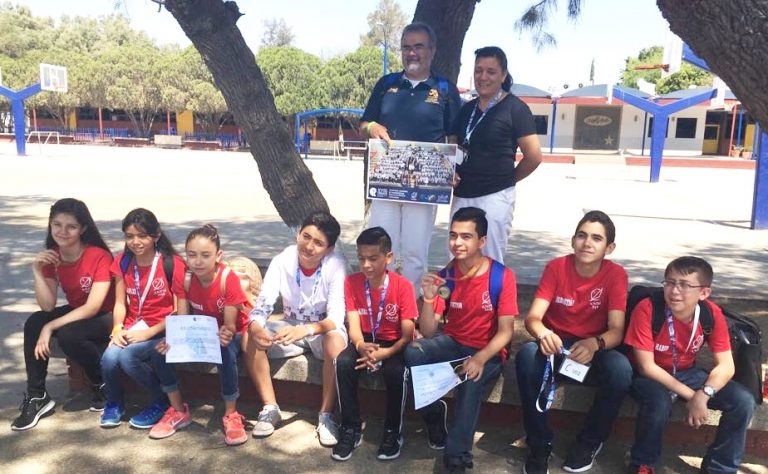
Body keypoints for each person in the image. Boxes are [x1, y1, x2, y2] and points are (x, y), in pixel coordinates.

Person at [515, 210, 631, 474]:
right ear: (573, 240)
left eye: (596, 238)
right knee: (526, 356)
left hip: (592, 350)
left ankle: (589, 442)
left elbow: (616, 330)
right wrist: (544, 334)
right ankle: (539, 443)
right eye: (582, 235)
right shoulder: (556, 267)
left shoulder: (616, 275)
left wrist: (594, 344)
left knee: (621, 369)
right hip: (557, 347)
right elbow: (533, 319)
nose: (587, 243)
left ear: (609, 248)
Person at [405, 207, 518, 473]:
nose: (457, 242)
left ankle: (457, 455)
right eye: (453, 235)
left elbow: (506, 332)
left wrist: (479, 358)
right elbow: (429, 331)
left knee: (470, 377)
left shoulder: (501, 276)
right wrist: (429, 299)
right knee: (413, 352)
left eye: (466, 236)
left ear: (482, 241)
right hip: (454, 343)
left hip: (487, 351)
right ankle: (434, 413)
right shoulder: (446, 276)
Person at [624, 257, 756, 474]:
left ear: (704, 293)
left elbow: (726, 366)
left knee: (743, 400)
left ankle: (720, 468)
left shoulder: (710, 313)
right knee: (658, 402)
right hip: (648, 375)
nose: (674, 291)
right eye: (669, 282)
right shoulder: (647, 308)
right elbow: (647, 366)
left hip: (687, 372)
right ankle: (643, 463)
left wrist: (703, 395)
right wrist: (692, 397)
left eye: (685, 285)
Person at [359, 21, 461, 290]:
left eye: (418, 47)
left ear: (432, 51)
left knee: (416, 252)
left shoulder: (445, 89)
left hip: (424, 186)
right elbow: (364, 124)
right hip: (386, 181)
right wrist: (372, 127)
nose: (412, 53)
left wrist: (452, 169)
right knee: (382, 246)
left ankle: (409, 306)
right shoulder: (386, 84)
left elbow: (454, 137)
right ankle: (381, 302)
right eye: (406, 47)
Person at [12, 198, 115, 431]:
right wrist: (37, 271)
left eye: (71, 227)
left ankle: (100, 382)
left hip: (105, 315)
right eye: (57, 225)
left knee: (69, 334)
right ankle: (37, 396)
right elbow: (47, 306)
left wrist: (50, 327)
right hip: (79, 311)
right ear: (50, 225)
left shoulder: (99, 256)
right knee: (35, 322)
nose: (63, 231)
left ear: (83, 229)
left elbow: (93, 307)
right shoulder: (52, 257)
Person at [245, 211, 347, 446]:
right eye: (306, 237)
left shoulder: (336, 265)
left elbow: (336, 318)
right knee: (248, 336)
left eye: (318, 243)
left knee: (335, 341)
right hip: (290, 328)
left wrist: (306, 330)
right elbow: (263, 305)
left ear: (329, 249)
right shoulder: (283, 260)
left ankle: (326, 415)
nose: (309, 246)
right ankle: (270, 408)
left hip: (322, 330)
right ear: (298, 234)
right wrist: (257, 327)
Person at [156, 225, 253, 445]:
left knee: (224, 351)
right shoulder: (184, 277)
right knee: (161, 350)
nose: (198, 261)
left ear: (218, 256)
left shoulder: (228, 279)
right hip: (200, 332)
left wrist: (225, 334)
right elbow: (182, 320)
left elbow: (230, 326)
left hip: (232, 333)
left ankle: (231, 413)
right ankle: (178, 409)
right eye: (192, 255)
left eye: (205, 255)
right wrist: (173, 340)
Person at [332, 227, 417, 462]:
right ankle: (350, 428)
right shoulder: (352, 282)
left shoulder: (403, 286)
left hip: (393, 342)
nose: (366, 265)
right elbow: (353, 324)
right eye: (361, 258)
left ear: (388, 257)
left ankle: (392, 432)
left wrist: (386, 353)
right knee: (343, 362)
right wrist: (360, 345)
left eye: (373, 258)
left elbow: (407, 334)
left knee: (396, 371)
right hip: (365, 339)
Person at [451, 46, 542, 264]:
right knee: (458, 257)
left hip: (495, 197)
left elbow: (534, 156)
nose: (483, 77)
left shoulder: (516, 109)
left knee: (490, 259)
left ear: (503, 75)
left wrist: (507, 180)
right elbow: (453, 144)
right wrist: (450, 171)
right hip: (462, 195)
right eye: (478, 70)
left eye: (491, 72)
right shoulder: (467, 109)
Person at [99, 208, 187, 433]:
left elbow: (178, 311)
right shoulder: (123, 261)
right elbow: (120, 303)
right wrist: (117, 328)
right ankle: (114, 403)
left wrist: (149, 333)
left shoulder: (172, 263)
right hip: (133, 326)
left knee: (128, 357)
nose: (135, 242)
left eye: (142, 236)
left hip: (163, 329)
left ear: (156, 236)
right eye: (129, 236)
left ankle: (160, 401)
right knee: (109, 358)